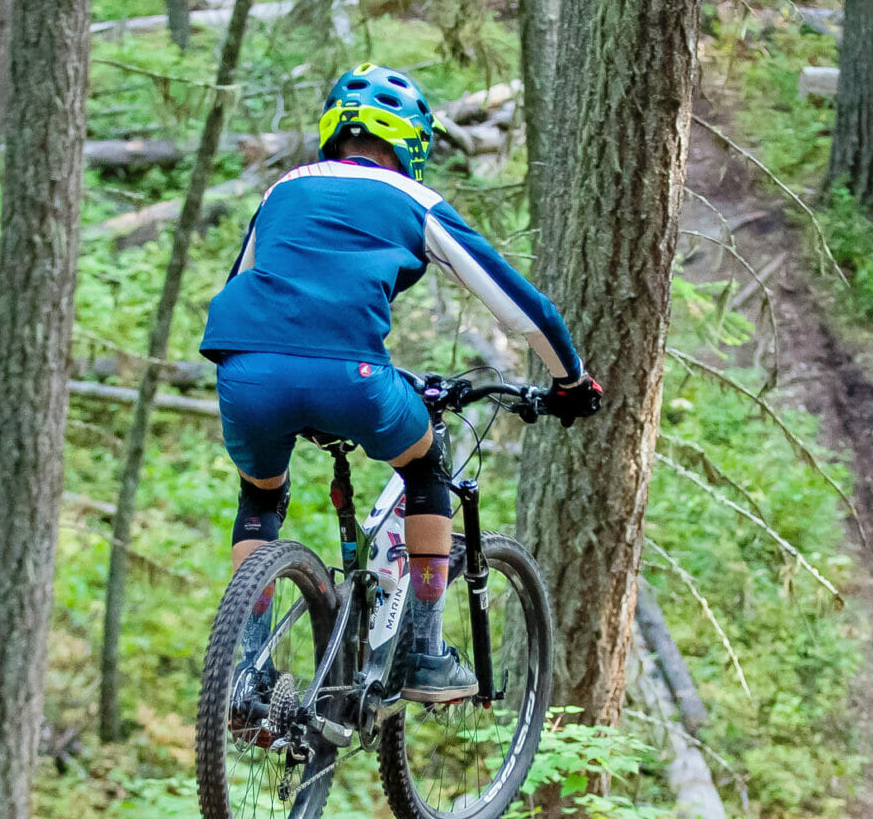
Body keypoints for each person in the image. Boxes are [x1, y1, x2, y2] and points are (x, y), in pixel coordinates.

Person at [200, 64, 601, 702]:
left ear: (334, 129)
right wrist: (570, 380)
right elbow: (521, 306)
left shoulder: (284, 189)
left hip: (246, 371)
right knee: (426, 467)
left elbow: (239, 285)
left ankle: (247, 679)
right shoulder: (410, 200)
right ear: (413, 141)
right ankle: (424, 652)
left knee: (259, 501)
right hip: (352, 376)